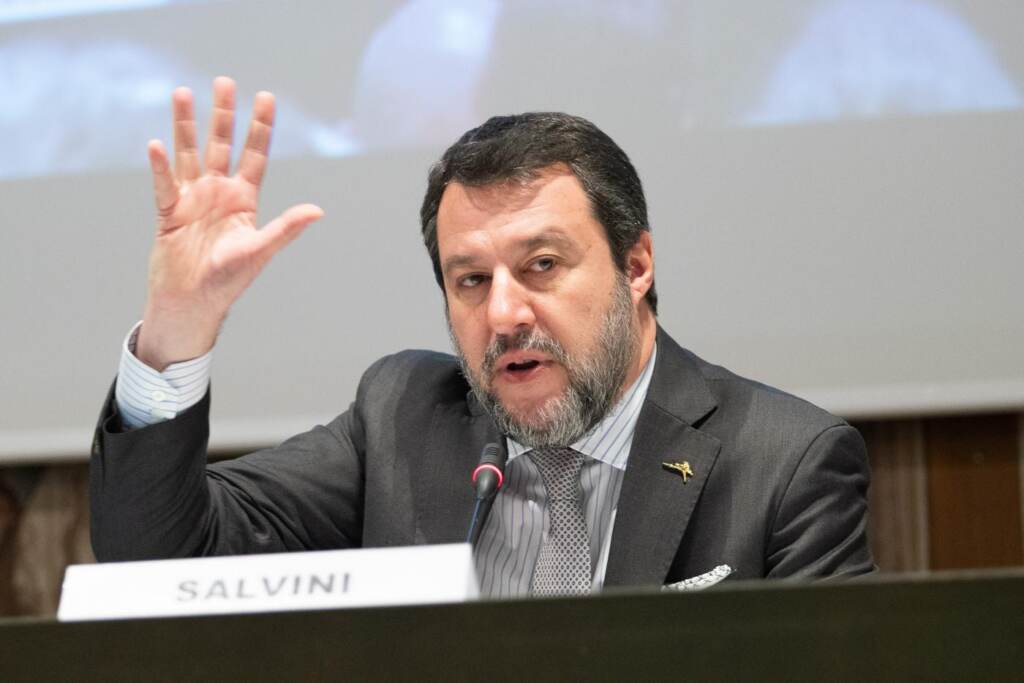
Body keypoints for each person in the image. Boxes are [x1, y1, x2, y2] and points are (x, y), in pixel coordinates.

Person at [91, 77, 873, 597]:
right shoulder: (402, 419)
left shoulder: (784, 465)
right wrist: (178, 328)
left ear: (636, 265)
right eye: (470, 280)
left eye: (541, 265)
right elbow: (156, 560)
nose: (503, 314)